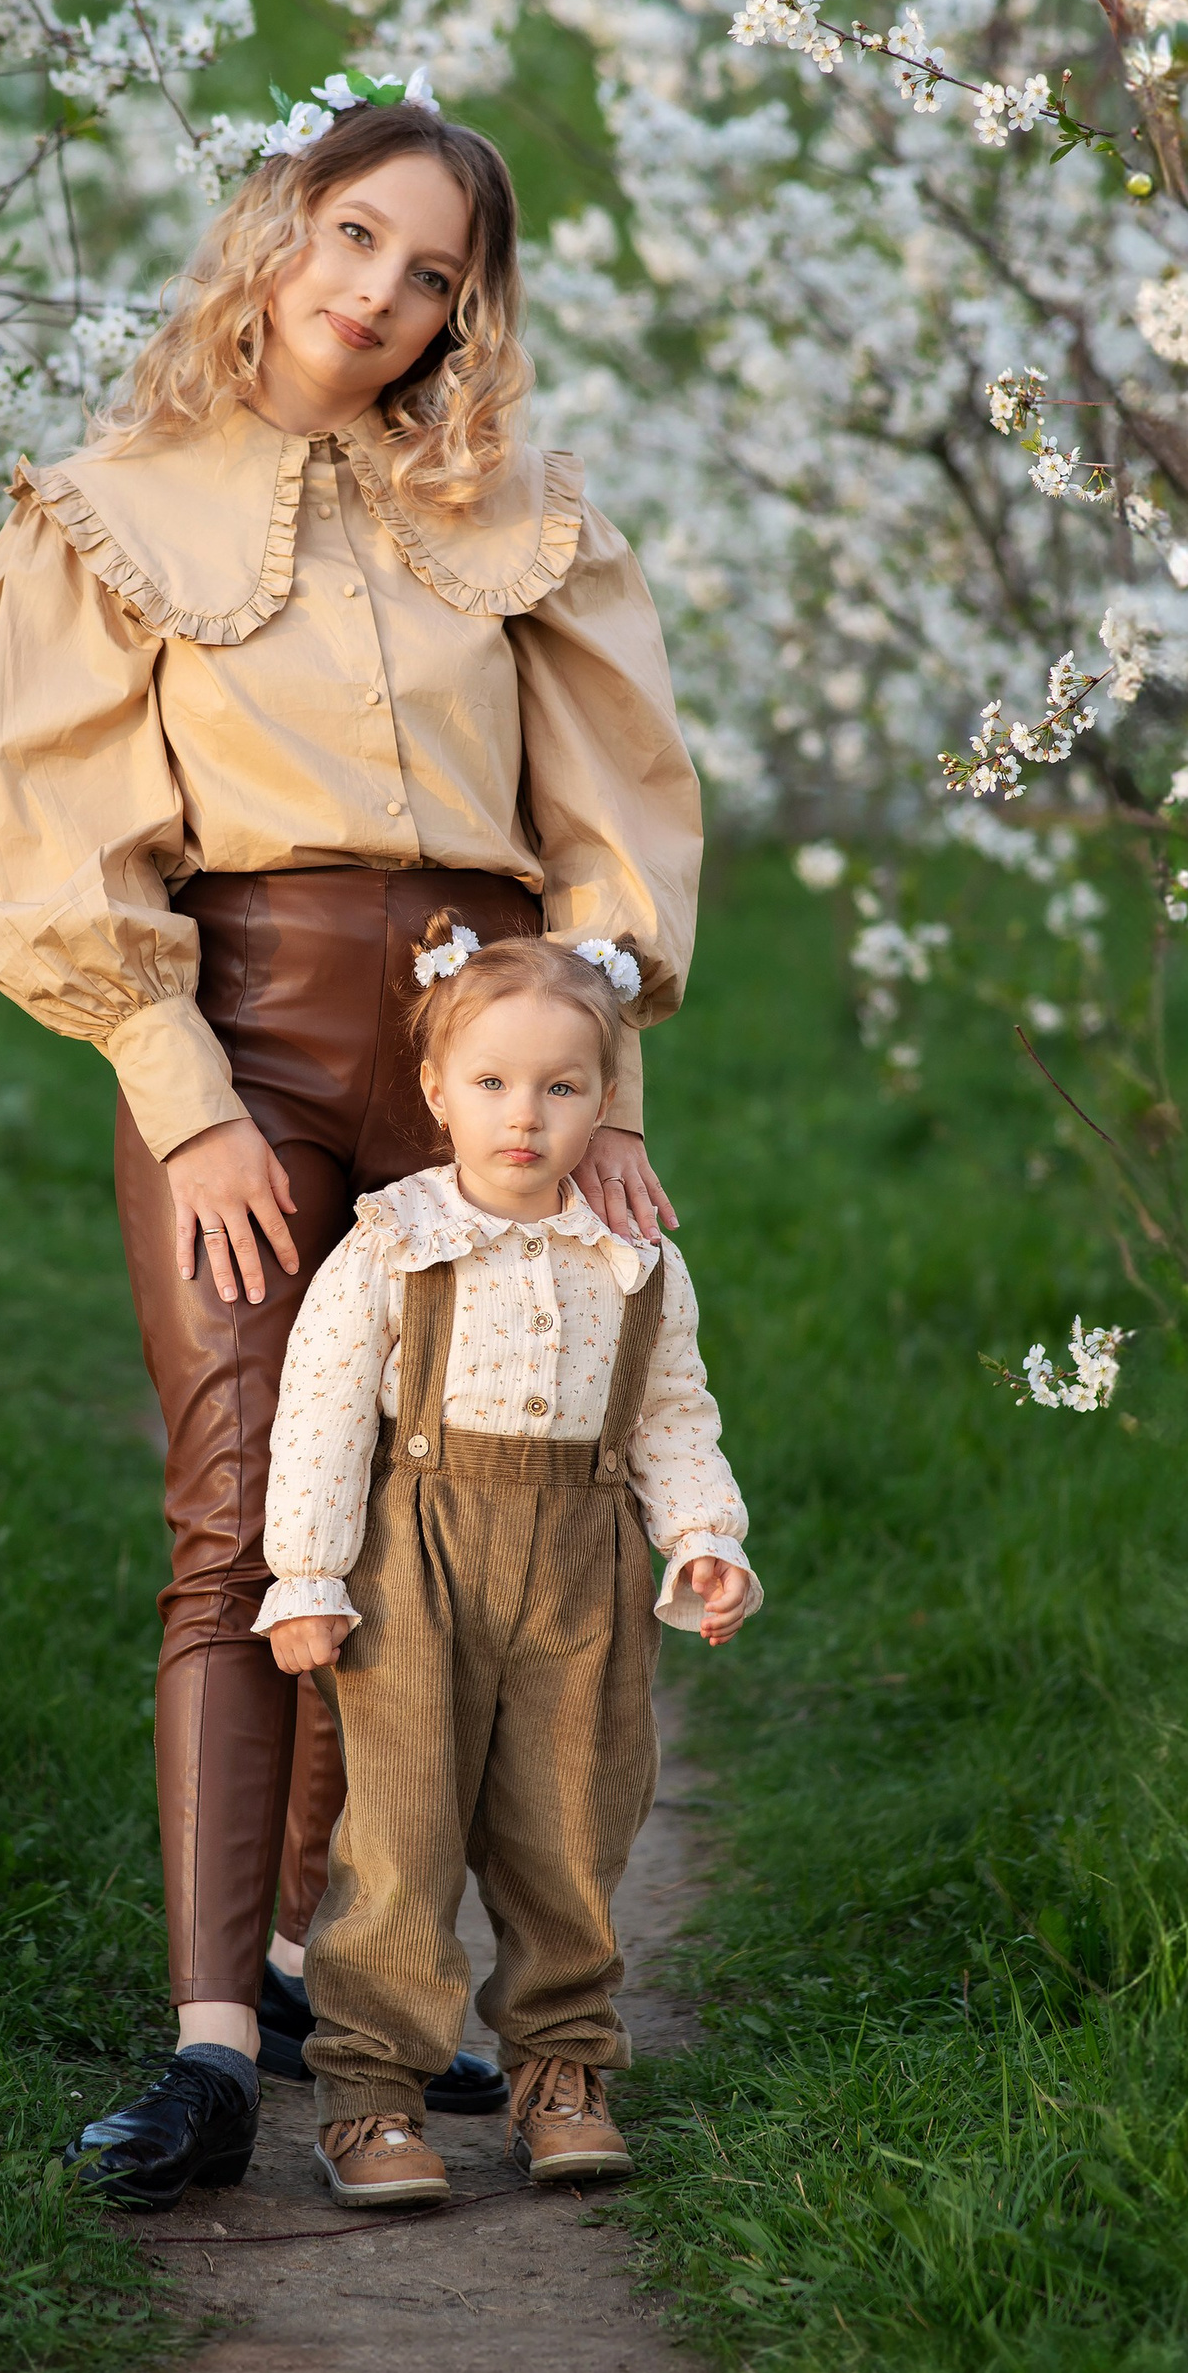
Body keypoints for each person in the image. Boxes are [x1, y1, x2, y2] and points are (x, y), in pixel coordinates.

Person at [0, 76, 702, 2210]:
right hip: (249, 1039)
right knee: (236, 1509)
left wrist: (604, 1097)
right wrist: (182, 1108)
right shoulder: (108, 509)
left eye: (430, 275)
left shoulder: (519, 521)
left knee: (428, 1516)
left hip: (482, 1051)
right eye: (351, 238)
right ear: (280, 225)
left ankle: (324, 1969)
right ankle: (202, 2050)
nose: (375, 297)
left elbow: (605, 825)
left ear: (467, 315)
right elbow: (57, 836)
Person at [257, 921, 758, 2208]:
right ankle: (372, 2099)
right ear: (435, 1091)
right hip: (414, 1568)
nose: (523, 1117)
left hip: (579, 1570)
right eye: (489, 1083)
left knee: (569, 1828)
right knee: (403, 1836)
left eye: (561, 1086)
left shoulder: (636, 1259)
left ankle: (561, 2076)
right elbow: (319, 1412)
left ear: (606, 1098)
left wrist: (704, 1539)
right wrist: (307, 1575)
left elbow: (669, 1412)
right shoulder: (394, 1244)